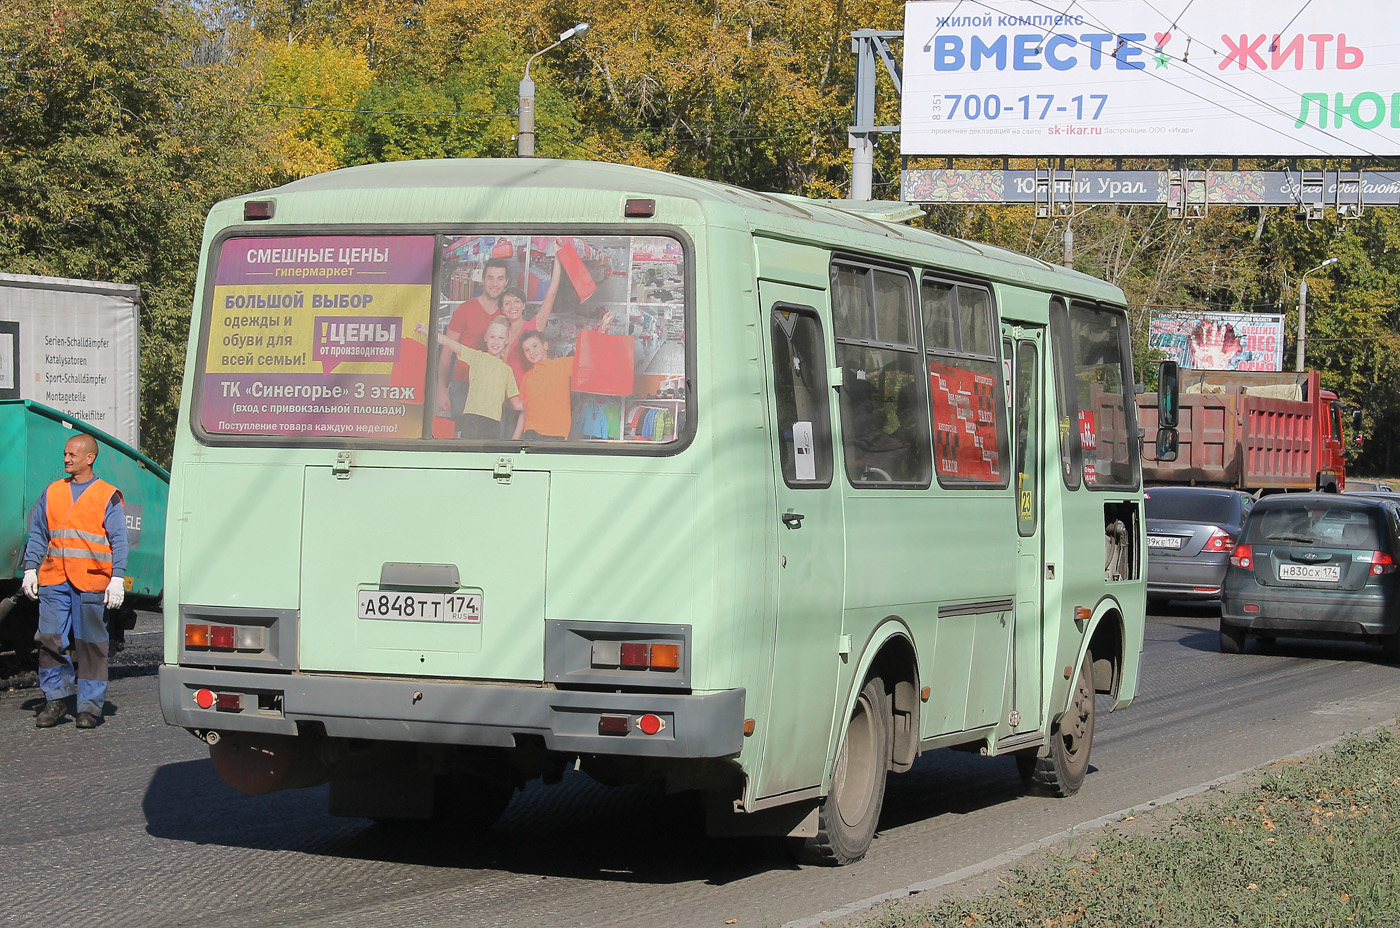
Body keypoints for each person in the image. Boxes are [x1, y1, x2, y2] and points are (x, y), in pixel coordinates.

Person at [20, 433, 128, 729]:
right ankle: (55, 699)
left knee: (91, 645)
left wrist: (117, 578)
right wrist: (31, 568)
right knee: (49, 640)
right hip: (55, 578)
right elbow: (39, 533)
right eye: (65, 454)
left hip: (92, 582)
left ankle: (90, 707)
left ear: (89, 458)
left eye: (72, 455)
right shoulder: (53, 491)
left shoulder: (106, 494)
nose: (66, 459)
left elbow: (119, 540)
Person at [516, 310, 615, 440]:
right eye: (527, 350)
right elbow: (523, 411)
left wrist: (601, 330)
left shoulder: (561, 365)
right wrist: (515, 440)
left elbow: (587, 357)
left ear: (545, 345)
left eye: (534, 346)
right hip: (529, 434)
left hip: (554, 434)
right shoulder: (527, 377)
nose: (531, 352)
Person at [436, 256, 511, 421]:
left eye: (500, 279)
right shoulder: (465, 310)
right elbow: (446, 353)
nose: (494, 284)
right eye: (490, 278)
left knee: (487, 440)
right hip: (463, 384)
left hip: (493, 387)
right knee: (463, 439)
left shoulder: (506, 314)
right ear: (483, 280)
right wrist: (441, 389)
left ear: (506, 282)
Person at [432, 316, 524, 439]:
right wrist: (428, 331)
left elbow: (516, 403)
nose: (496, 342)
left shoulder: (507, 371)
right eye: (492, 337)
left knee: (487, 456)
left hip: (493, 422)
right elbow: (451, 343)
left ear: (507, 340)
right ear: (486, 337)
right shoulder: (476, 357)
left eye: (500, 338)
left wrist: (537, 405)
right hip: (471, 418)